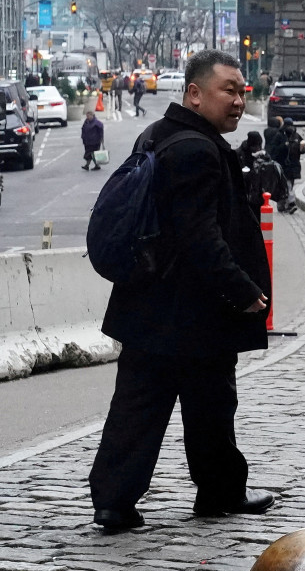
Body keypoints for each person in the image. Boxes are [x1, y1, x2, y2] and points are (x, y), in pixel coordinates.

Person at [89, 50, 275, 533]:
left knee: (139, 405)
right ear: (195, 94)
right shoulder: (197, 149)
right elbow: (200, 236)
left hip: (148, 303)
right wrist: (242, 290)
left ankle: (114, 501)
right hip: (192, 310)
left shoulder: (161, 135)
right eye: (228, 90)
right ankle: (219, 493)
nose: (238, 100)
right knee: (210, 404)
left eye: (242, 91)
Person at [281, 116, 305, 184]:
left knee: (288, 181)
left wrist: (302, 148)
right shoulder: (295, 135)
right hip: (291, 162)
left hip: (290, 162)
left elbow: (303, 149)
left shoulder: (295, 135)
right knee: (289, 181)